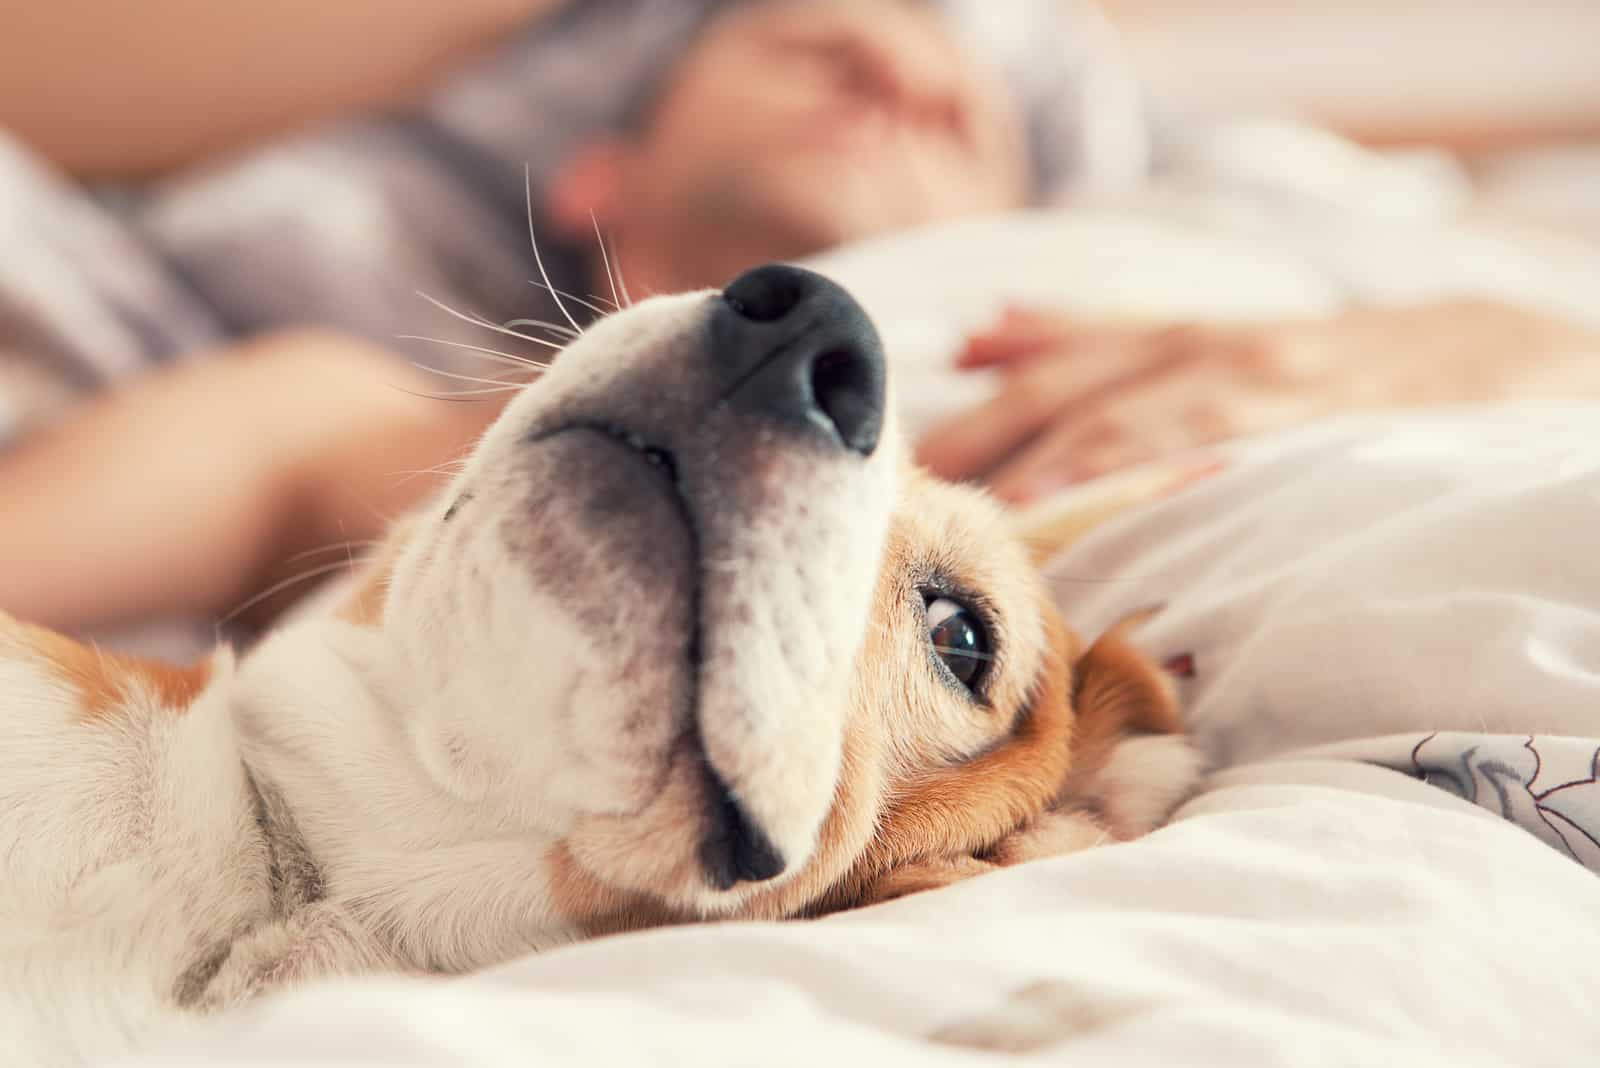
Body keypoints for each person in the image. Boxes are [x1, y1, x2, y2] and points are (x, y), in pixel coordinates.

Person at [1, 0, 1595, 636]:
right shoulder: (353, 416)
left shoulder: (1234, 269)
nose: (906, 62)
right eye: (811, 45)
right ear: (596, 177)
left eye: (959, 105)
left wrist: (1430, 346)